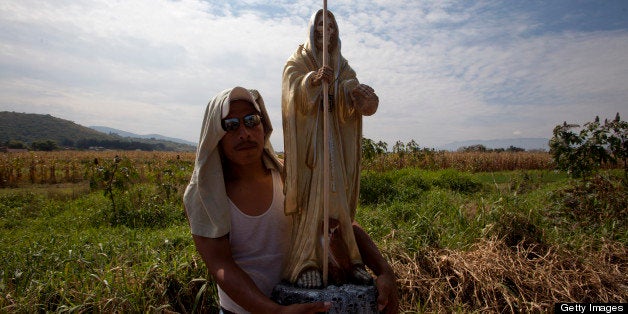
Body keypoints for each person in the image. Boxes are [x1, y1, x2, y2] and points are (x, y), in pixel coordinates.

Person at [184, 86, 397, 313]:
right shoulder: (206, 195)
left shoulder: (291, 177)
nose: (244, 133)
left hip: (299, 303)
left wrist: (384, 271)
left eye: (251, 120)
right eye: (231, 125)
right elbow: (221, 266)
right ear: (216, 134)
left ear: (264, 125)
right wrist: (275, 311)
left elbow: (338, 221)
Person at [281, 9, 382, 290]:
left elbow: (351, 95)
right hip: (312, 145)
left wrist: (357, 94)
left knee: (337, 200)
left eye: (331, 25)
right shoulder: (299, 59)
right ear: (312, 29)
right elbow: (291, 90)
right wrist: (311, 81)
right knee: (314, 201)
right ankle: (307, 262)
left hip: (334, 142)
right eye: (321, 24)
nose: (326, 30)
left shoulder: (343, 65)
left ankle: (350, 261)